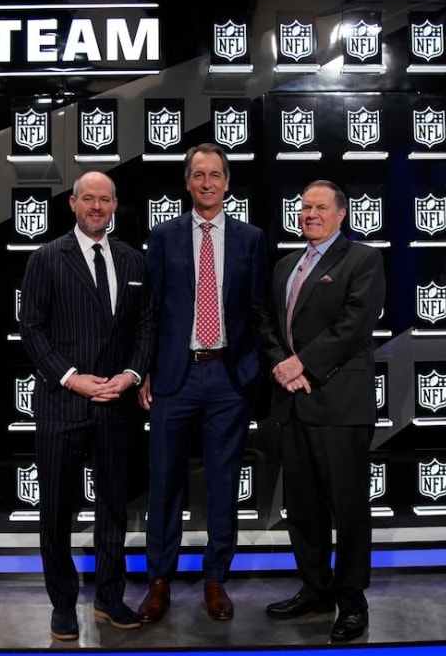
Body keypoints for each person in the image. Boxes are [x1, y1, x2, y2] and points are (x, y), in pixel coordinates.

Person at [136, 143, 269, 623]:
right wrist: (144, 368)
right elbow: (150, 310)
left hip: (229, 377)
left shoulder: (251, 238)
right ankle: (159, 580)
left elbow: (259, 310)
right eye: (199, 175)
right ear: (187, 182)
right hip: (176, 375)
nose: (207, 182)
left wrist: (254, 369)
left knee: (223, 481)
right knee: (164, 481)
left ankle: (216, 578)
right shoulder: (163, 236)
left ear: (228, 182)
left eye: (215, 174)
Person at [18, 171, 153, 641]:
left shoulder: (134, 260)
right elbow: (31, 328)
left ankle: (110, 598)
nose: (97, 207)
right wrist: (73, 378)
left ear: (115, 205)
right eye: (88, 199)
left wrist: (131, 375)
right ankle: (62, 603)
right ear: (73, 204)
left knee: (113, 508)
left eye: (105, 199)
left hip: (116, 405)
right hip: (62, 405)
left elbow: (146, 327)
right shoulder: (46, 258)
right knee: (56, 511)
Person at [258, 179, 385, 643]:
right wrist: (283, 366)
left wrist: (303, 364)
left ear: (341, 214)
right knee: (303, 509)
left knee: (348, 509)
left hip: (339, 403)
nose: (310, 214)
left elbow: (355, 325)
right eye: (305, 207)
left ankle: (351, 601)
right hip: (292, 403)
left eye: (320, 207)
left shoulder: (363, 259)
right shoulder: (286, 264)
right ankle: (314, 590)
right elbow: (267, 323)